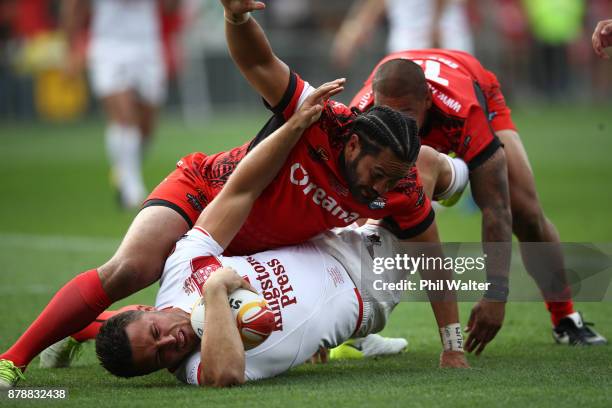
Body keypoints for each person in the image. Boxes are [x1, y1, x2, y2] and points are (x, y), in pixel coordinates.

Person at [0, 2, 469, 387]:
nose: (380, 187)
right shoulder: (322, 118)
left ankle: (85, 328)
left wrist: (452, 345)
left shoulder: (397, 189)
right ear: (352, 144)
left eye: (393, 178)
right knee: (132, 268)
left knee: (213, 321)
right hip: (210, 191)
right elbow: (260, 63)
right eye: (378, 174)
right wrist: (238, 18)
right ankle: (12, 360)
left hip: (263, 239)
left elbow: (432, 259)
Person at [351, 48, 607, 350]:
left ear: (427, 101)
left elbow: (496, 208)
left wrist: (496, 293)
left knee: (525, 212)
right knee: (367, 205)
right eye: (386, 113)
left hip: (474, 86)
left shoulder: (464, 113)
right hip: (406, 83)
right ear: (376, 104)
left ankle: (565, 318)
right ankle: (355, 331)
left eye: (406, 114)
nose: (395, 124)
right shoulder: (362, 114)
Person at [61, 0, 179, 209]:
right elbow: (73, 6)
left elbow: (171, 6)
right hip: (109, 47)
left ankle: (124, 169)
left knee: (147, 126)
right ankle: (131, 188)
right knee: (124, 117)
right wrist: (70, 50)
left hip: (147, 45)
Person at [331, 0, 474, 69]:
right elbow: (374, 5)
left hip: (446, 40)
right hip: (405, 46)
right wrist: (352, 34)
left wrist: (434, 29)